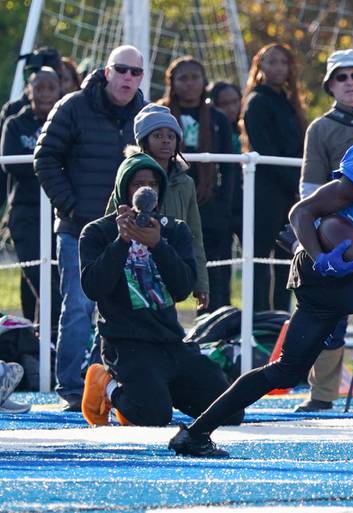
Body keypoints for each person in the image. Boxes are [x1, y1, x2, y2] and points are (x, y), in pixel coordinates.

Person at [167, 84, 353, 457]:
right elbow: (301, 212)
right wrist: (316, 254)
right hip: (326, 265)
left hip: (345, 272)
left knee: (285, 370)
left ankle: (195, 434)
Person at [79, 152, 244, 427]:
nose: (146, 190)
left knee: (229, 412)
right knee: (154, 417)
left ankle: (149, 393)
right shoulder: (98, 232)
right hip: (126, 343)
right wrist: (122, 242)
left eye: (153, 184)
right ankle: (105, 384)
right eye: (137, 184)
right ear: (123, 189)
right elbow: (94, 287)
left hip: (170, 341)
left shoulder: (174, 230)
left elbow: (182, 289)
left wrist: (158, 245)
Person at [34, 45, 146, 412]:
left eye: (136, 72)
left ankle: (112, 383)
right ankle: (69, 387)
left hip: (125, 230)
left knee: (123, 307)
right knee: (78, 307)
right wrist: (71, 206)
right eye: (122, 69)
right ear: (106, 71)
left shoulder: (144, 114)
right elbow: (44, 157)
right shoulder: (72, 106)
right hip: (78, 228)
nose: (129, 77)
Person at [293, 48, 353, 413]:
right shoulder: (320, 128)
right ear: (330, 86)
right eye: (341, 77)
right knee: (330, 315)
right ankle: (323, 393)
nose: (350, 83)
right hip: (338, 231)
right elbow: (309, 192)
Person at [104, 103, 210, 310]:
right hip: (132, 265)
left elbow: (195, 235)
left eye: (171, 136)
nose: (166, 141)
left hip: (170, 263)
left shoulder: (185, 183)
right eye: (158, 135)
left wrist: (200, 283)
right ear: (143, 141)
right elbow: (110, 219)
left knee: (165, 316)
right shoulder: (128, 176)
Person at [158, 57, 234, 315]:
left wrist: (224, 204)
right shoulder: (160, 114)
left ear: (204, 82)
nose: (189, 83)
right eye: (183, 78)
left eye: (195, 77)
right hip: (170, 203)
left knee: (216, 273)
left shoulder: (218, 118)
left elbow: (230, 166)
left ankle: (215, 331)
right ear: (172, 82)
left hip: (209, 204)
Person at [241, 44, 307, 312]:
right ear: (260, 67)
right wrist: (295, 185)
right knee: (259, 259)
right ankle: (257, 320)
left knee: (287, 259)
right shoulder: (257, 101)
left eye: (283, 62)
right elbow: (264, 150)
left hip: (290, 194)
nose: (278, 67)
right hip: (267, 192)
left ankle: (281, 317)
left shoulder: (289, 102)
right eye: (271, 62)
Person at [1, 67, 63, 330]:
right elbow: (11, 163)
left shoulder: (66, 121)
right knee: (38, 276)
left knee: (58, 279)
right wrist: (50, 166)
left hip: (60, 211)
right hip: (26, 212)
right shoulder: (15, 123)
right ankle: (38, 338)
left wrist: (41, 167)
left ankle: (50, 342)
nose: (45, 92)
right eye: (40, 87)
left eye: (51, 86)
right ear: (29, 90)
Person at [207, 81, 243, 243]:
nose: (232, 108)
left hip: (242, 197)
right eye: (225, 103)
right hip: (223, 197)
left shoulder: (243, 128)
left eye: (235, 102)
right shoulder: (212, 129)